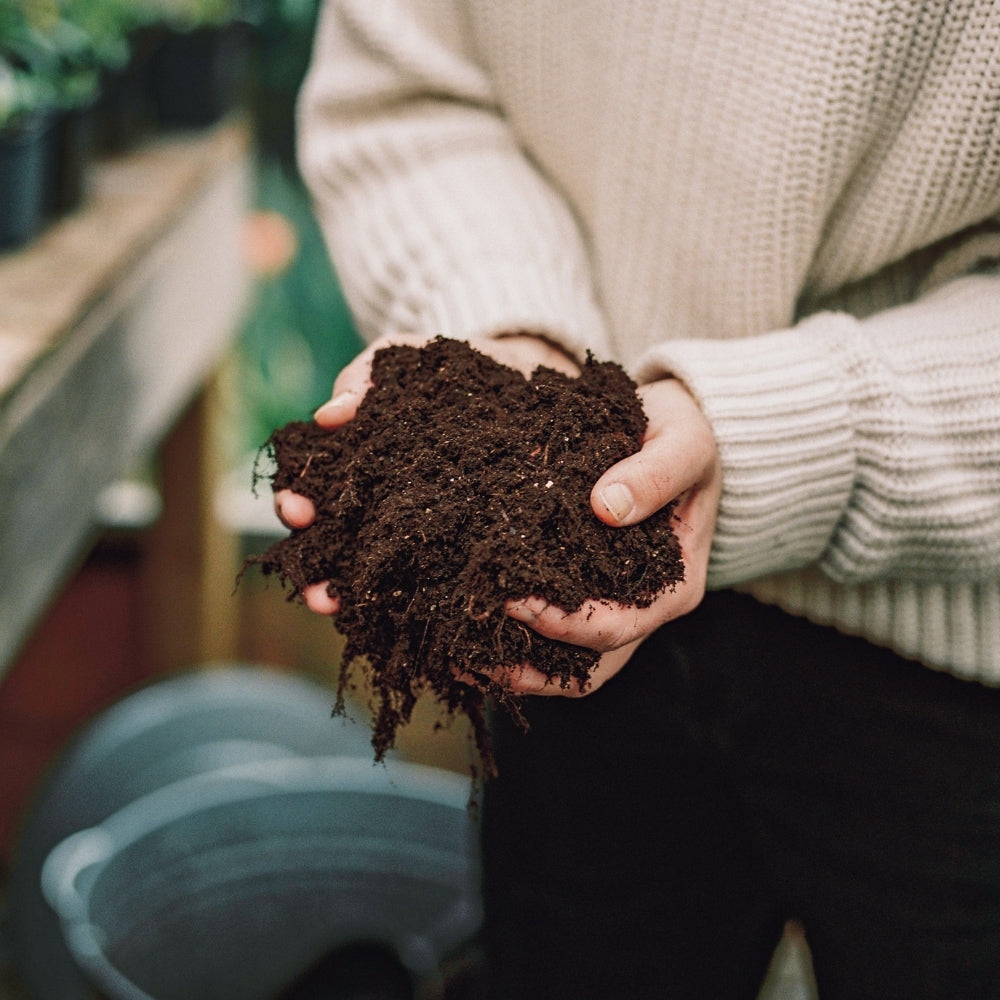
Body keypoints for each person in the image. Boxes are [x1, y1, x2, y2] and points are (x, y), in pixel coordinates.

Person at [273, 2, 1000, 997]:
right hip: (574, 622)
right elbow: (415, 86)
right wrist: (512, 336)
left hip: (959, 663)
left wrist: (783, 431)